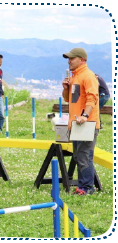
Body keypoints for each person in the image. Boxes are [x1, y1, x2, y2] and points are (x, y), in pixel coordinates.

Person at [62, 47, 100, 196]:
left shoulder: (88, 76)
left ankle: (86, 188)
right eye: (68, 58)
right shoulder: (74, 76)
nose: (69, 61)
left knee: (84, 156)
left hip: (86, 123)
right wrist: (66, 87)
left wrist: (85, 115)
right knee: (78, 156)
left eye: (72, 58)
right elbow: (68, 98)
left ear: (82, 60)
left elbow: (92, 97)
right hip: (76, 123)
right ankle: (83, 186)